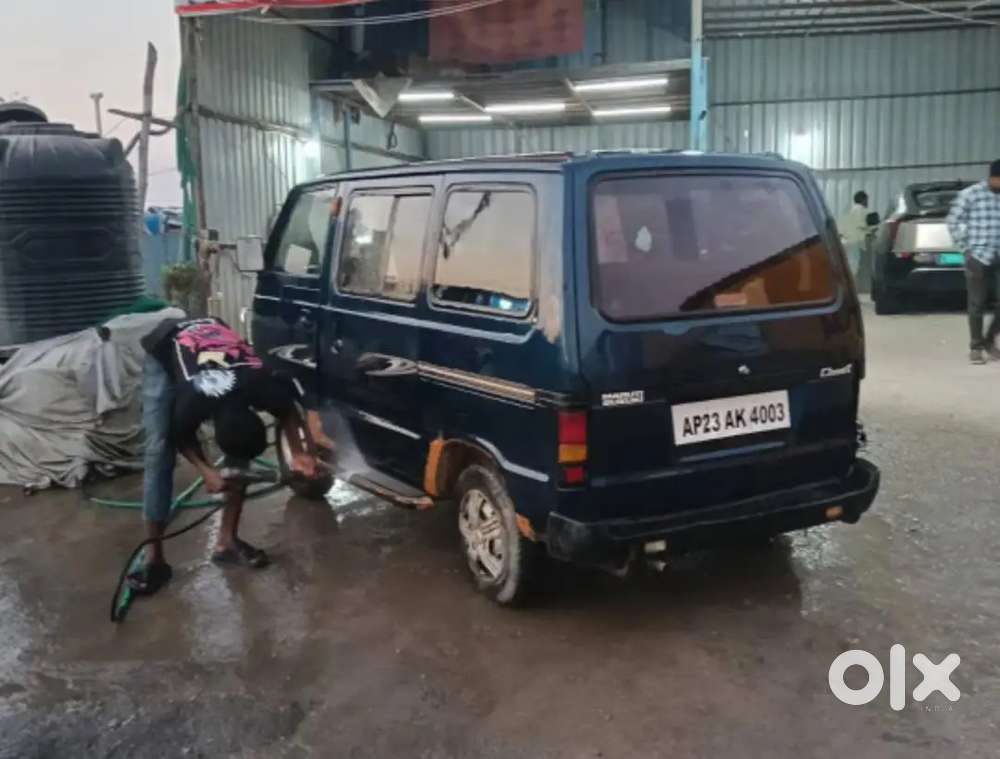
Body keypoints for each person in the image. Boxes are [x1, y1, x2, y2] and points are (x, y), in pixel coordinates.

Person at [127, 316, 316, 595]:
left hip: (217, 340)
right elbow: (181, 437)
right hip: (166, 346)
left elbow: (288, 410)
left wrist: (299, 454)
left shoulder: (261, 383)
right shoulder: (193, 399)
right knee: (159, 450)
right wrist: (206, 471)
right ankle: (155, 560)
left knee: (237, 458)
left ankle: (227, 543)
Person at [947, 160, 1000, 364]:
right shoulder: (971, 195)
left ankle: (988, 340)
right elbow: (953, 221)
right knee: (977, 303)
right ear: (993, 177)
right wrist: (965, 248)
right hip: (977, 256)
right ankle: (976, 347)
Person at [837, 190, 871, 280]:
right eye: (867, 200)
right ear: (863, 200)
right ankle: (851, 284)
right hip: (854, 241)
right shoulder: (861, 209)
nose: (867, 202)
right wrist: (870, 230)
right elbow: (861, 225)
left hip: (846, 239)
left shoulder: (852, 209)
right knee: (853, 264)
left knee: (848, 262)